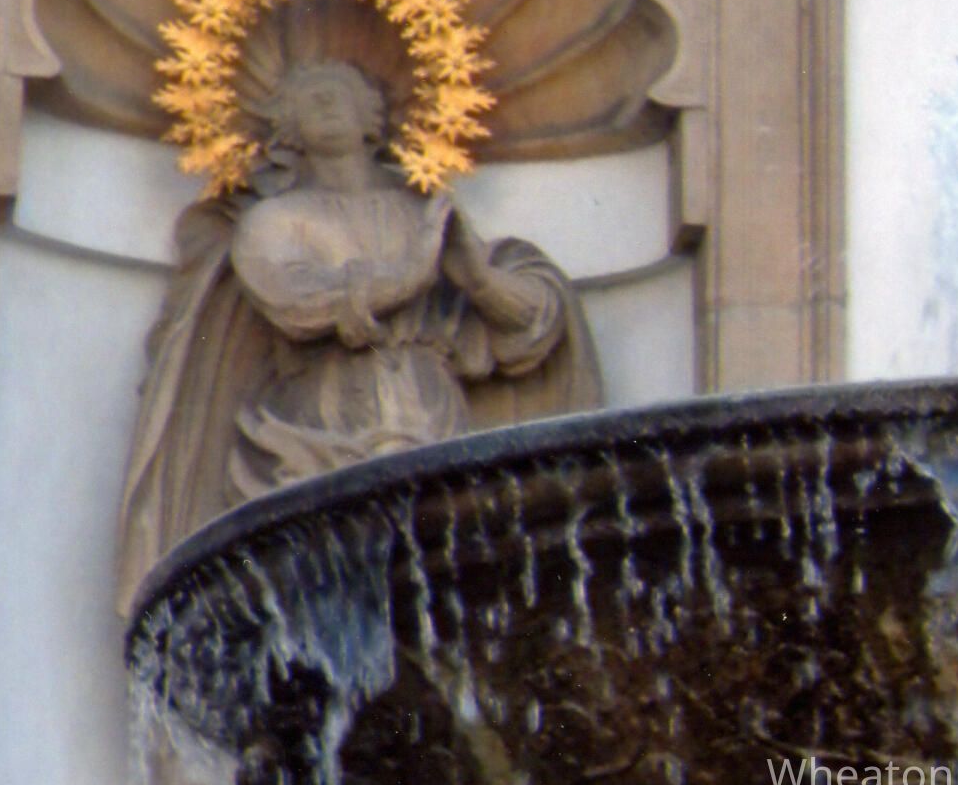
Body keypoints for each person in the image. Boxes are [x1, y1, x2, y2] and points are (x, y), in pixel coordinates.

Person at [115, 53, 598, 613]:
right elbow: (296, 303)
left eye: (339, 90)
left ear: (374, 115)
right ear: (286, 129)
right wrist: (406, 278)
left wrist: (480, 280)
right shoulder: (274, 222)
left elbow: (536, 321)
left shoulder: (425, 215)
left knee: (439, 600)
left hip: (432, 419)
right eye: (308, 97)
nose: (325, 102)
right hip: (315, 431)